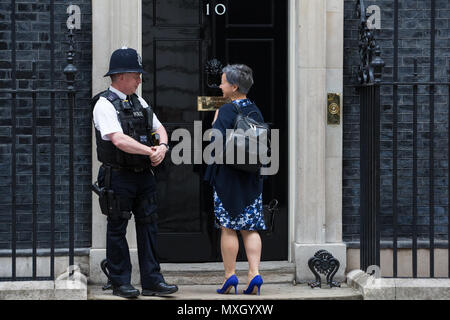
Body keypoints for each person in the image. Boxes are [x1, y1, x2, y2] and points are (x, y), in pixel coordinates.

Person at [93, 47, 177, 298]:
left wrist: (162, 146)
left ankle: (152, 281)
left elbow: (159, 127)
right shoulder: (104, 104)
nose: (140, 79)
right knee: (117, 227)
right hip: (118, 175)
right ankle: (120, 282)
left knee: (149, 225)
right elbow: (118, 140)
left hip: (143, 175)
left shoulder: (139, 101)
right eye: (135, 75)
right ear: (120, 77)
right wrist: (150, 151)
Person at [204, 64, 266, 295]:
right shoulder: (255, 109)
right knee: (250, 228)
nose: (220, 86)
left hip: (228, 177)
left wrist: (214, 122)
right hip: (251, 177)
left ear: (234, 86)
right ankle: (254, 274)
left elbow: (216, 142)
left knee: (228, 227)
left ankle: (230, 277)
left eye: (223, 82)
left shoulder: (227, 109)